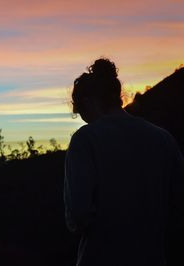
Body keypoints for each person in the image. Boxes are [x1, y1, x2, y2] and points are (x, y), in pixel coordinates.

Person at [64, 58, 184, 266]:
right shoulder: (163, 138)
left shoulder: (86, 139)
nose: (85, 120)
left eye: (82, 112)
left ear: (89, 102)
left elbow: (78, 214)